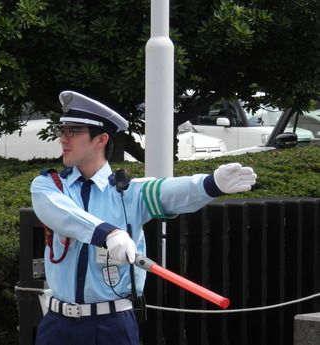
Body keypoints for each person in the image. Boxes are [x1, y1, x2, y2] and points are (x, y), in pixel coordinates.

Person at [30, 91, 257, 345]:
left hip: (113, 325)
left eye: (73, 131)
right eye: (62, 131)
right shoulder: (50, 186)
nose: (63, 139)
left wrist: (210, 184)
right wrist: (109, 233)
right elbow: (61, 213)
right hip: (59, 325)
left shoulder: (128, 192)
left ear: (101, 138)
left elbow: (166, 192)